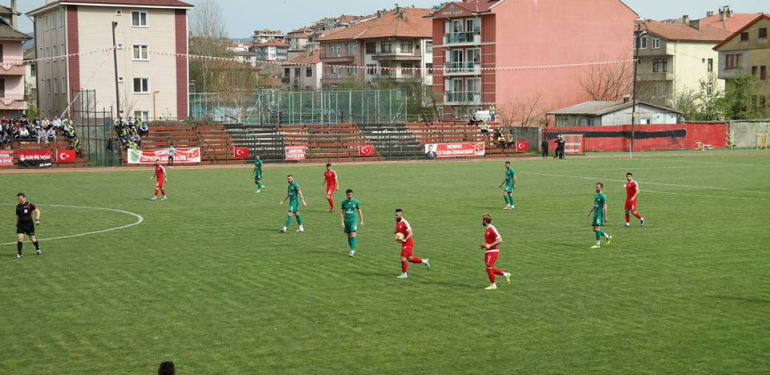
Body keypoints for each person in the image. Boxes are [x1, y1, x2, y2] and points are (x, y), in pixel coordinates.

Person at [394, 209, 430, 279]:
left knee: (403, 258)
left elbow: (411, 233)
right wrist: (396, 234)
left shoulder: (405, 223)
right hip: (404, 243)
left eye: (397, 215)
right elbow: (397, 230)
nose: (395, 216)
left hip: (408, 243)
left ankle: (404, 274)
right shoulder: (397, 221)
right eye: (395, 215)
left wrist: (404, 239)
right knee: (410, 259)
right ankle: (425, 261)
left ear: (401, 215)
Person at [480, 214, 511, 290]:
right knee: (489, 268)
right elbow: (490, 241)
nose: (482, 222)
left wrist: (490, 245)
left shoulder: (491, 229)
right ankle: (505, 274)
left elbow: (500, 240)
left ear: (485, 221)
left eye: (482, 220)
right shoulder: (488, 229)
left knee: (489, 266)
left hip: (493, 251)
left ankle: (493, 285)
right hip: (489, 251)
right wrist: (484, 245)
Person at [15, 193, 42, 259]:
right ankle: (19, 254)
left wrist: (37, 219)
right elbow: (17, 216)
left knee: (32, 238)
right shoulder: (18, 206)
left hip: (29, 224)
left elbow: (38, 211)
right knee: (20, 238)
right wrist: (17, 224)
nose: (19, 200)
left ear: (24, 198)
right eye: (18, 198)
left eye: (20, 198)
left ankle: (38, 249)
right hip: (21, 225)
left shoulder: (29, 204)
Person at [586, 182, 612, 249]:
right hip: (595, 214)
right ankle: (607, 236)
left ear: (601, 188)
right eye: (595, 187)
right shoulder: (596, 195)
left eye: (597, 187)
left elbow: (605, 206)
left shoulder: (603, 196)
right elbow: (594, 204)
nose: (596, 188)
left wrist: (605, 217)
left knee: (597, 228)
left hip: (599, 215)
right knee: (594, 229)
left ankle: (598, 244)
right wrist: (589, 212)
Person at [340, 189, 363, 257]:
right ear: (346, 195)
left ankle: (352, 251)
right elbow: (342, 212)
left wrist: (361, 221)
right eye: (348, 195)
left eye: (351, 194)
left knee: (353, 234)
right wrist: (342, 222)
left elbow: (359, 211)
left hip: (353, 220)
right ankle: (352, 249)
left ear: (353, 194)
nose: (350, 196)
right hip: (346, 221)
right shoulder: (343, 202)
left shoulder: (356, 202)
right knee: (349, 236)